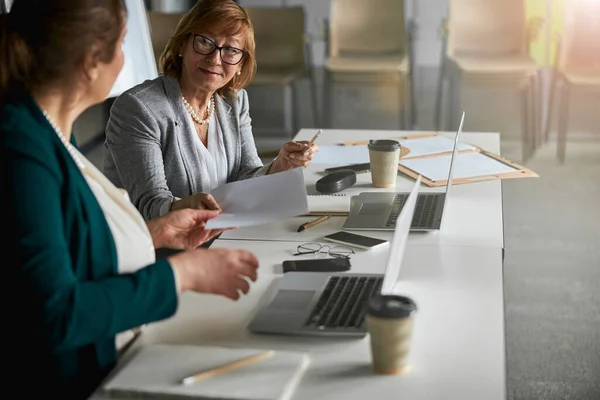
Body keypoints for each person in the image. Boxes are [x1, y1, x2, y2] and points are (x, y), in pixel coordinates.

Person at [0, 1, 259, 398]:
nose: (125, 60)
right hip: (77, 380)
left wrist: (153, 233)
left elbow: (72, 247)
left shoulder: (48, 132)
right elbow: (54, 315)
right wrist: (183, 274)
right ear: (91, 62)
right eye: (122, 44)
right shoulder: (22, 150)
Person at [103, 0, 319, 220]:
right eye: (205, 42)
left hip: (224, 232)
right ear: (181, 45)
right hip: (162, 246)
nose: (215, 59)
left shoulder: (234, 101)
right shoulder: (139, 108)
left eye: (231, 50)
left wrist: (279, 166)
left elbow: (246, 175)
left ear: (240, 64)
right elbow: (150, 205)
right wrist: (187, 207)